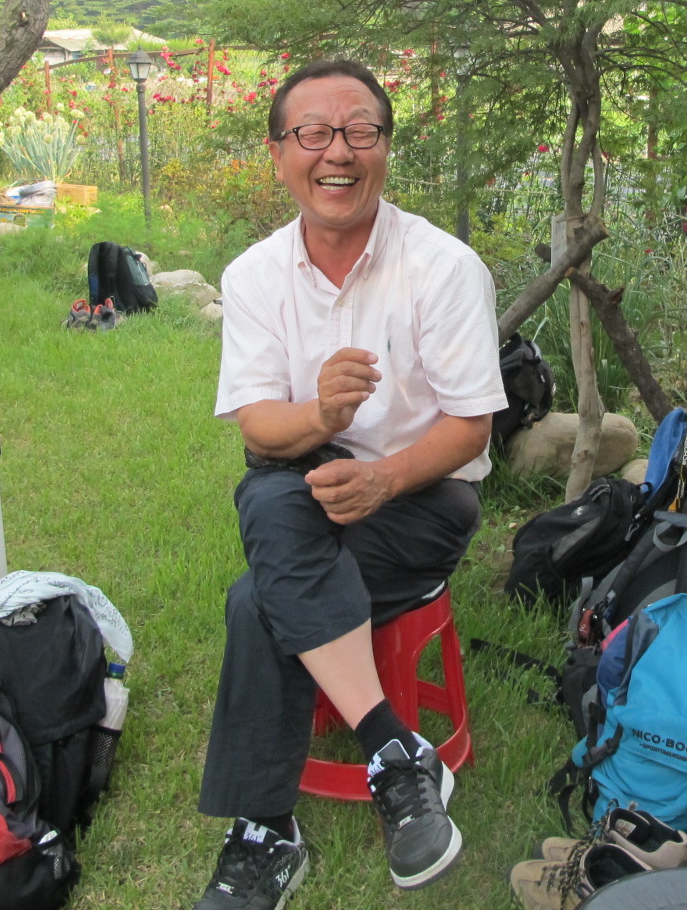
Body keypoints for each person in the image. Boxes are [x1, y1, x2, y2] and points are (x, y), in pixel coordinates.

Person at [192, 58, 506, 910]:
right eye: (314, 133)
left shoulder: (443, 267)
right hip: (305, 484)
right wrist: (324, 416)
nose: (338, 152)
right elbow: (260, 428)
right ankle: (395, 752)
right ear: (278, 154)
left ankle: (265, 833)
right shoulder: (255, 275)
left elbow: (470, 428)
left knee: (258, 600)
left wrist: (383, 479)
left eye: (360, 131)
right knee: (270, 491)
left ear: (386, 148)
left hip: (424, 495)